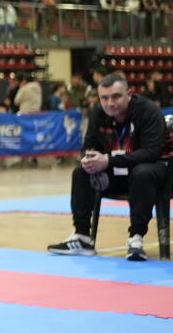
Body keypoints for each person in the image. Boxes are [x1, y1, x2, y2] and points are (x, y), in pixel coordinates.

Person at [48, 72, 169, 261]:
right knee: (81, 172)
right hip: (116, 173)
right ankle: (82, 237)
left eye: (116, 96)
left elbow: (150, 153)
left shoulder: (148, 110)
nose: (109, 103)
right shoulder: (98, 112)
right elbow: (88, 145)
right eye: (104, 98)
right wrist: (89, 159)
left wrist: (108, 160)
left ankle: (136, 238)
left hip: (153, 175)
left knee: (142, 172)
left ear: (129, 94)